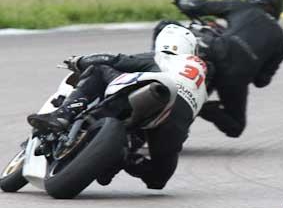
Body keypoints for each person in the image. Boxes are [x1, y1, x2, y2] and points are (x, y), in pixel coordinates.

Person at [27, 24, 206, 190]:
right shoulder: (201, 82)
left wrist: (80, 61)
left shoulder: (164, 57)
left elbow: (117, 60)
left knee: (99, 69)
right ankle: (123, 158)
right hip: (177, 120)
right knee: (158, 178)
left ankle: (64, 114)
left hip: (154, 91)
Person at [166, 0, 283, 138]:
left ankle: (159, 69)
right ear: (277, 4)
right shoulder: (281, 42)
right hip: (236, 78)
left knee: (166, 26)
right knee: (235, 127)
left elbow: (198, 5)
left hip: (214, 50)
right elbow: (261, 81)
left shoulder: (240, 6)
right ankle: (203, 107)